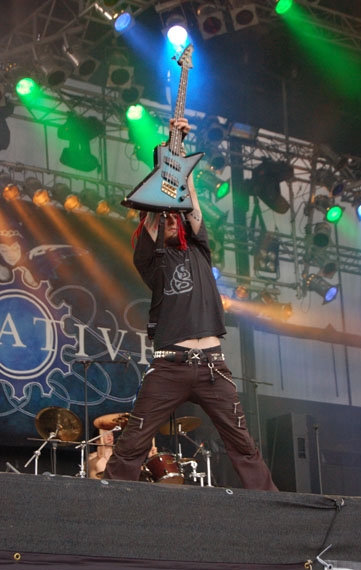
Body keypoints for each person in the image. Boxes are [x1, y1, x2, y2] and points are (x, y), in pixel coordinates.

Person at [103, 118, 278, 491]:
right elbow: (153, 213)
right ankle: (107, 499)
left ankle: (273, 506)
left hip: (212, 366)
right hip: (169, 366)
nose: (171, 218)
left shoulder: (199, 249)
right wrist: (166, 156)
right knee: (133, 441)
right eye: (165, 216)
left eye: (175, 215)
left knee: (242, 443)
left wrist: (181, 157)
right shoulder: (151, 259)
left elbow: (192, 204)